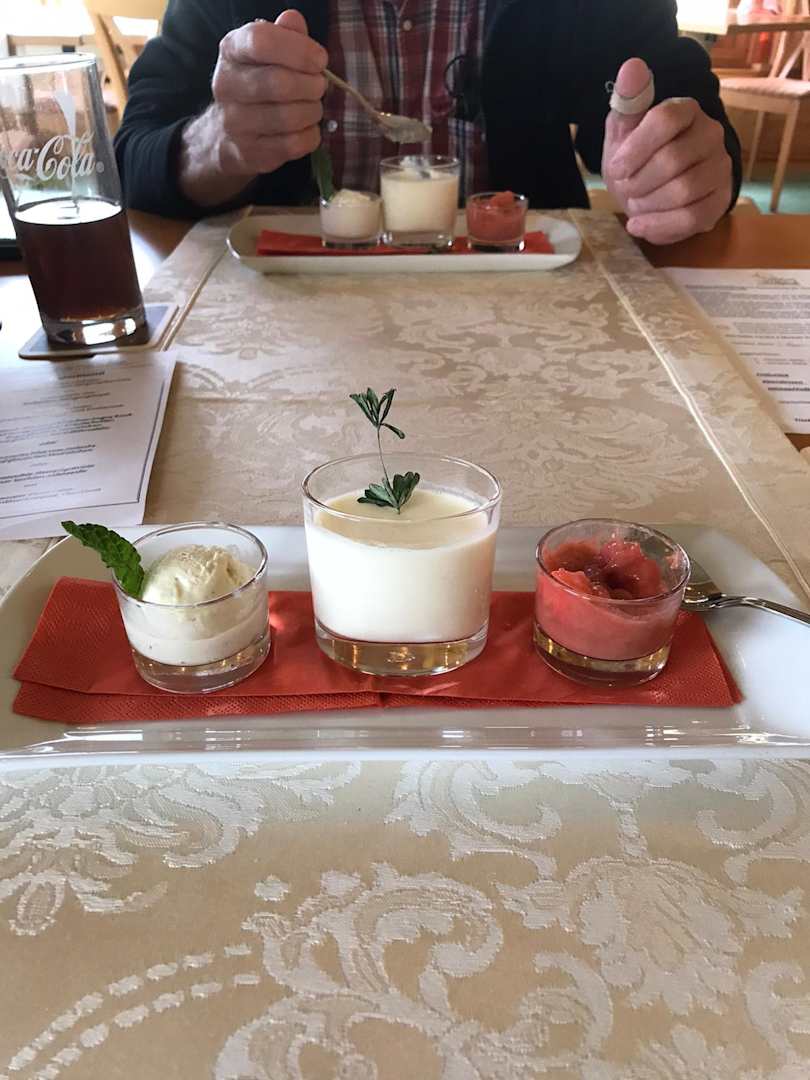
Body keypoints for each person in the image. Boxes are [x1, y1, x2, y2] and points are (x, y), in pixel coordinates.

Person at [115, 0, 741, 245]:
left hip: (526, 304)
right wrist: (219, 143)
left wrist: (679, 163)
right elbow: (135, 152)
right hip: (290, 307)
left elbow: (673, 96)